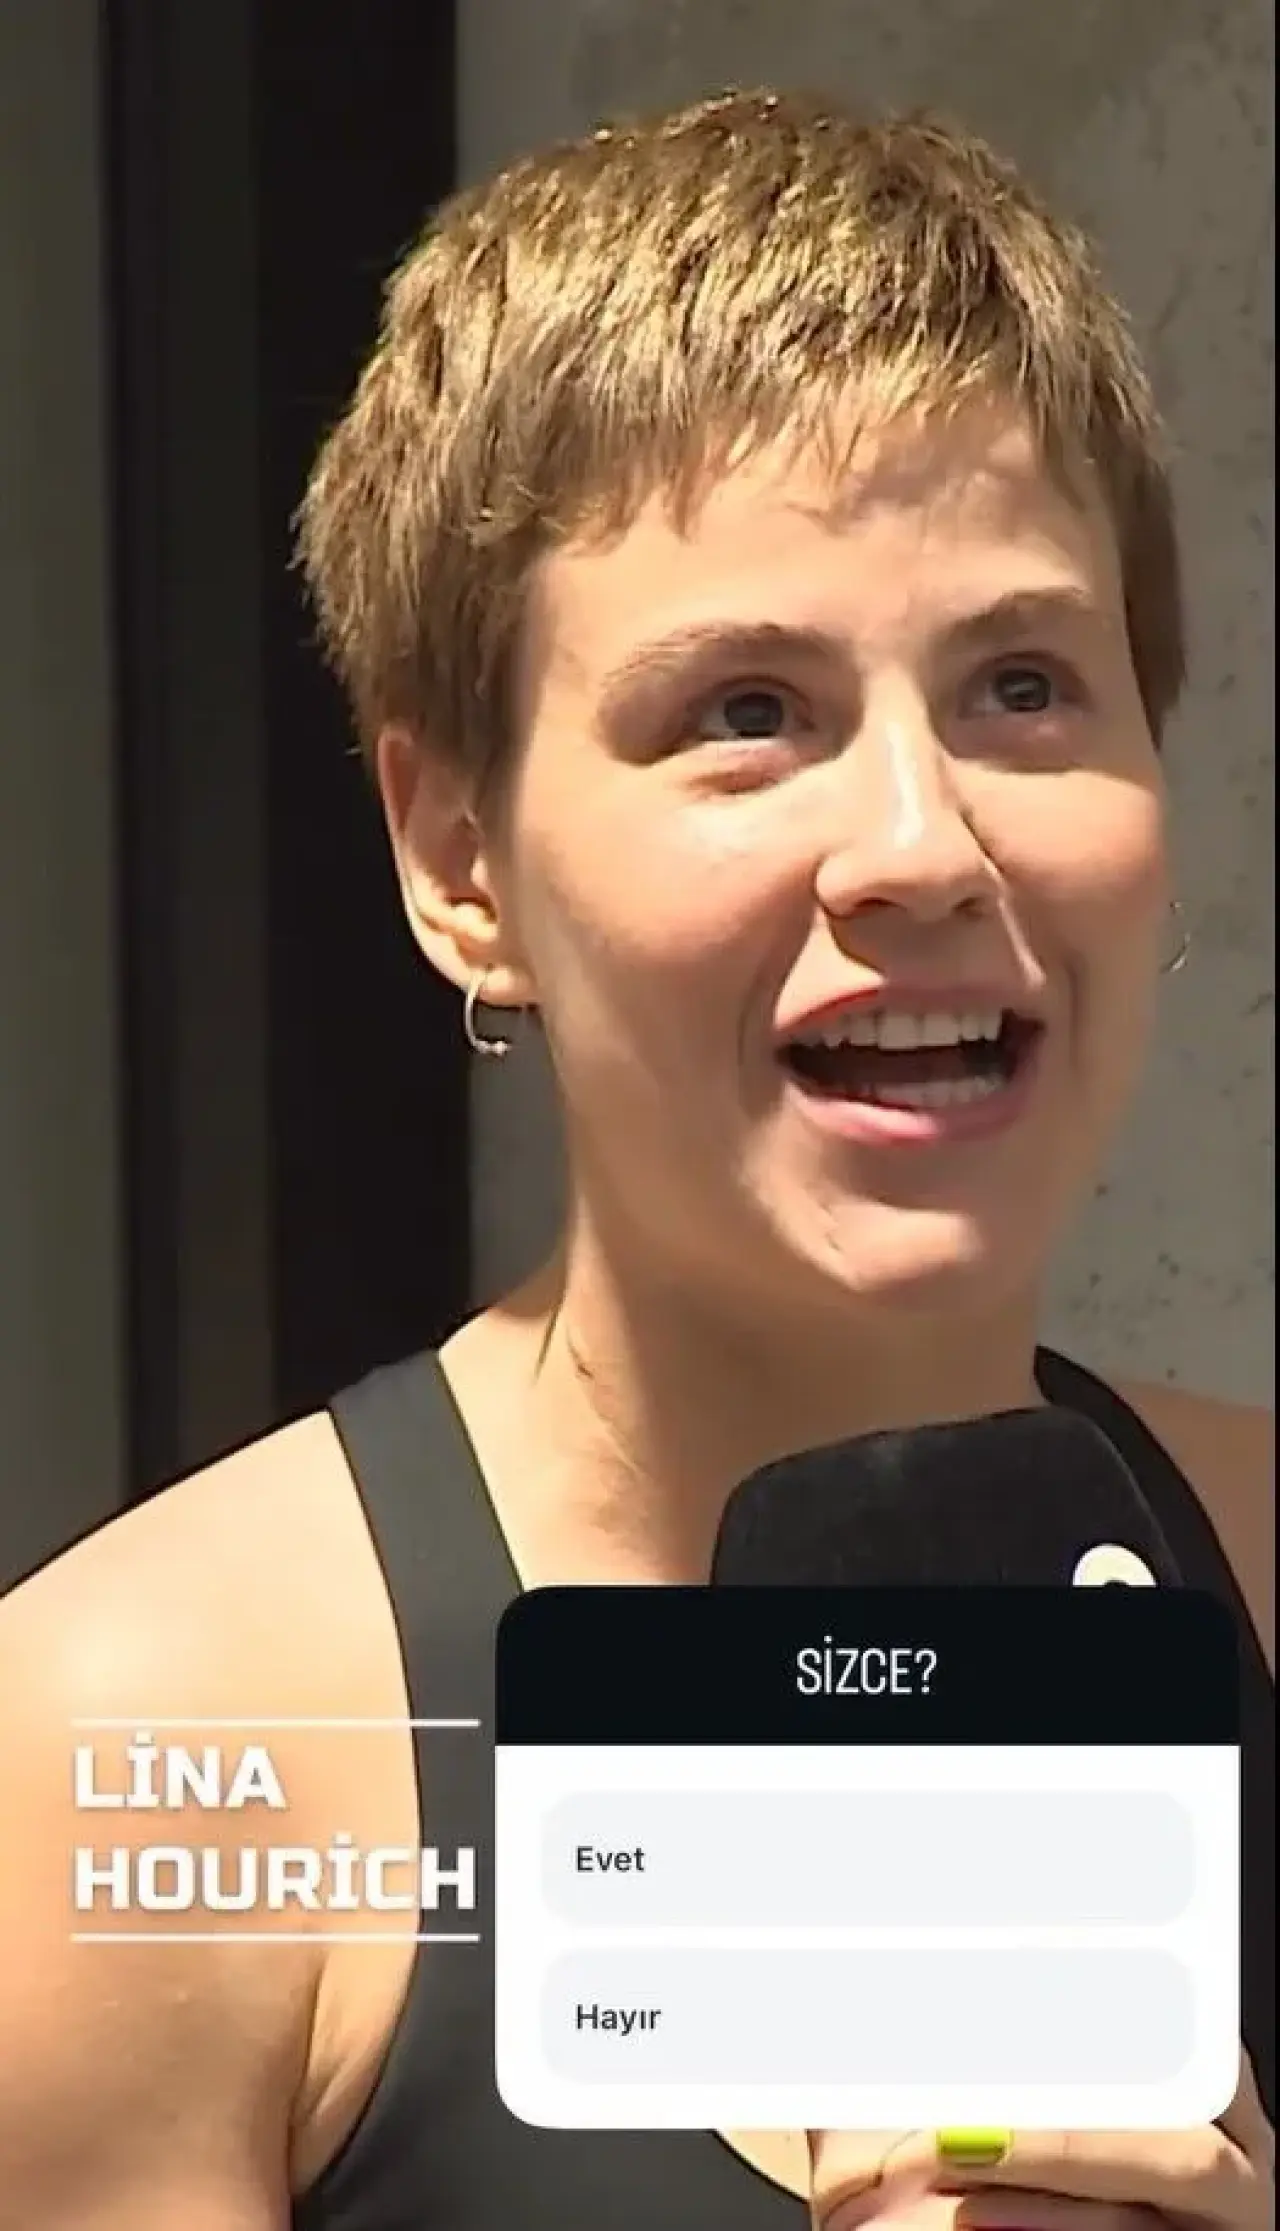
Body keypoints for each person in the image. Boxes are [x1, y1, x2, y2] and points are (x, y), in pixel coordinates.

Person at [0, 88, 1272, 2231]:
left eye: (1023, 684)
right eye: (746, 712)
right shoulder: (138, 1761)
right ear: (458, 857)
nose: (921, 845)